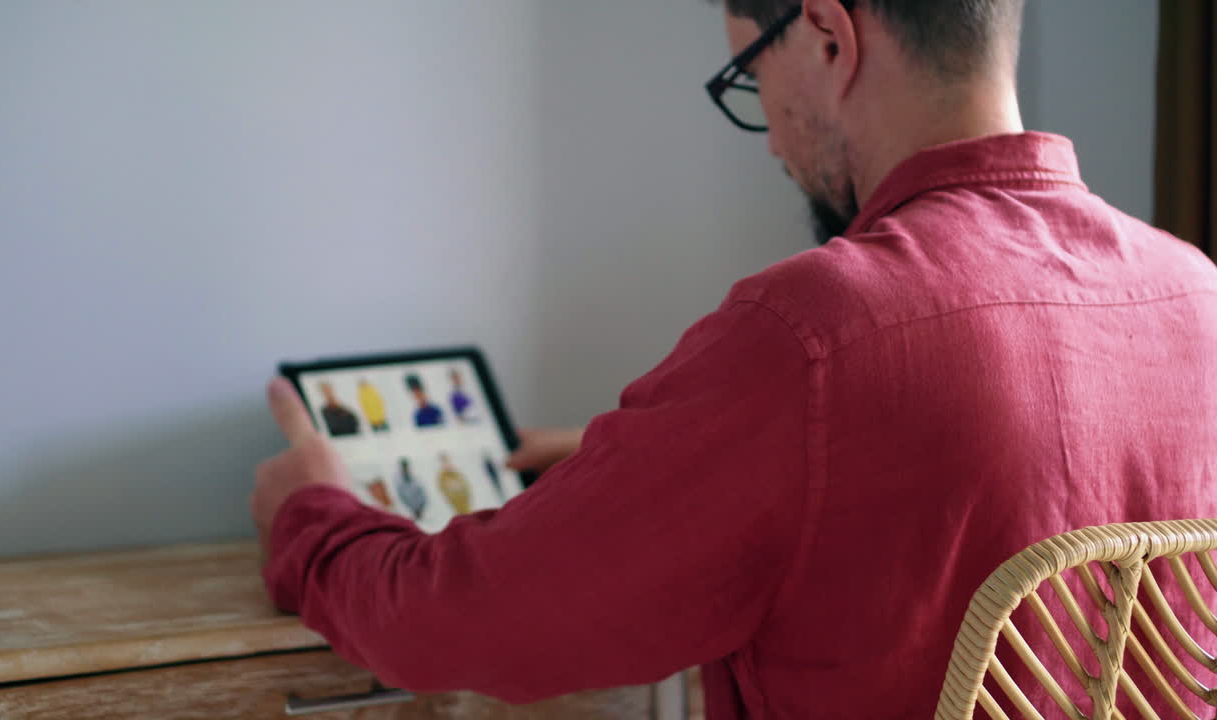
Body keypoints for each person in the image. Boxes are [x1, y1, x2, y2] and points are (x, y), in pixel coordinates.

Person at [252, 1, 1217, 716]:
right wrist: (633, 463)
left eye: (750, 75)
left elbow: (456, 626)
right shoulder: (1198, 295)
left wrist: (311, 514)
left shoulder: (815, 337)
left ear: (831, 38)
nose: (770, 142)